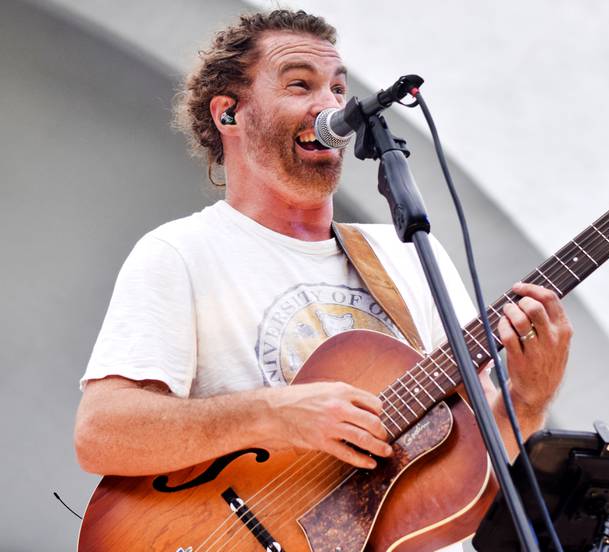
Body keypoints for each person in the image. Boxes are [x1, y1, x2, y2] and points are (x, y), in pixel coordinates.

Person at [73, 8, 572, 549]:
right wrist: (274, 413)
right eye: (299, 85)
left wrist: (525, 401)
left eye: (337, 88)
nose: (331, 106)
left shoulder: (405, 255)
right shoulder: (181, 253)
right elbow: (102, 434)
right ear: (229, 114)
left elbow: (461, 470)